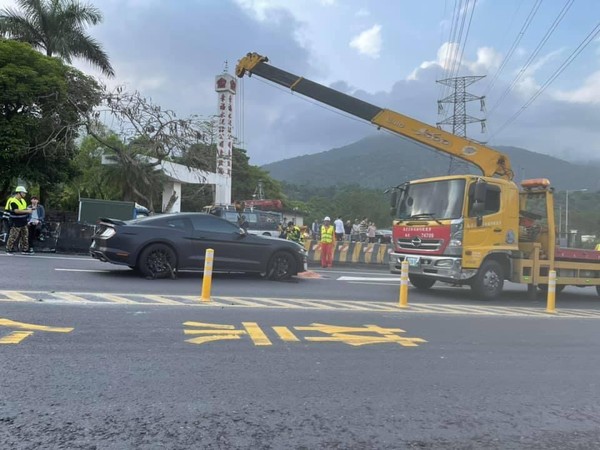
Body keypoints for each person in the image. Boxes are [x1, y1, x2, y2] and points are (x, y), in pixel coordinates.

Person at [5, 186, 33, 254]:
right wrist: (27, 211)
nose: (25, 194)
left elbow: (24, 209)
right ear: (19, 193)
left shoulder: (23, 201)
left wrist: (28, 210)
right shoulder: (13, 201)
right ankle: (9, 248)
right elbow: (16, 211)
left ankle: (25, 249)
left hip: (23, 221)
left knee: (25, 235)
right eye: (23, 193)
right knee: (13, 235)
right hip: (15, 221)